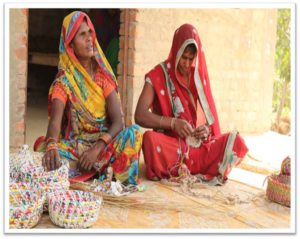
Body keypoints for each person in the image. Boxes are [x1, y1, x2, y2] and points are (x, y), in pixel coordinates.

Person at [34, 11, 142, 185]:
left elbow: (118, 122)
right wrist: (52, 145)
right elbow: (54, 123)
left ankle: (88, 170)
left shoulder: (102, 75)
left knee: (134, 133)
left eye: (90, 32)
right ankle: (105, 171)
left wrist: (97, 149)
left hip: (105, 145)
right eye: (82, 35)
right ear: (70, 44)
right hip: (79, 147)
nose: (89, 38)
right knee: (42, 145)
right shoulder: (64, 80)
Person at [135, 24, 248, 185]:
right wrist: (173, 124)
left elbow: (209, 121)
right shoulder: (158, 74)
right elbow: (139, 115)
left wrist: (206, 130)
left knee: (236, 140)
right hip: (173, 146)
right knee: (148, 139)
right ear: (176, 51)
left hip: (196, 146)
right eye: (183, 57)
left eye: (191, 59)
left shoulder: (196, 77)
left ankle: (188, 168)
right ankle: (194, 168)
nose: (186, 64)